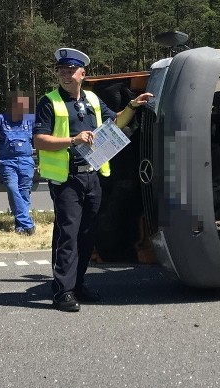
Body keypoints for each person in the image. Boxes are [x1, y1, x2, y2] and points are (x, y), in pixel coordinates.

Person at [33, 47, 152, 312]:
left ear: (82, 74)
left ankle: (78, 284)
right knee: (68, 235)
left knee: (87, 235)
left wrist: (132, 105)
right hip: (66, 179)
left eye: (70, 70)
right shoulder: (49, 101)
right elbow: (39, 139)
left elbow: (116, 124)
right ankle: (63, 291)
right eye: (61, 71)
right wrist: (72, 140)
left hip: (92, 177)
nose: (64, 75)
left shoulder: (93, 100)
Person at [0, 91, 36, 235]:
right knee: (13, 189)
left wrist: (41, 162)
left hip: (27, 161)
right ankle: (28, 223)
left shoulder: (30, 119)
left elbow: (38, 141)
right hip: (7, 162)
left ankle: (20, 227)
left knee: (24, 193)